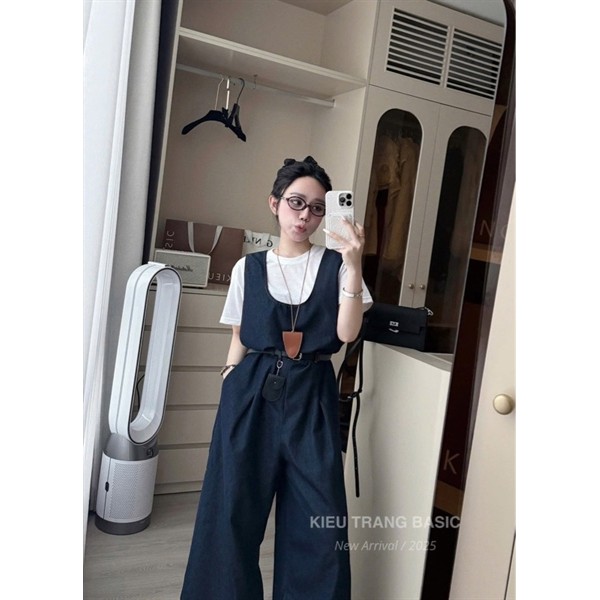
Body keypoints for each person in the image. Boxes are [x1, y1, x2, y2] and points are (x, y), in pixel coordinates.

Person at [180, 156, 373, 600]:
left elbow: (346, 333)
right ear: (275, 203)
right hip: (251, 392)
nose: (305, 216)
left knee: (318, 520)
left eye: (317, 208)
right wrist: (230, 380)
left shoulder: (338, 265)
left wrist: (355, 262)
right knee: (231, 512)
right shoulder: (247, 268)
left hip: (313, 393)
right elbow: (238, 336)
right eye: (296, 203)